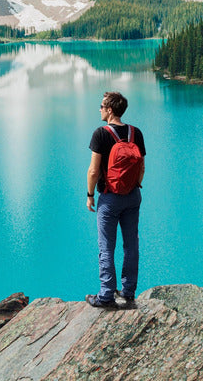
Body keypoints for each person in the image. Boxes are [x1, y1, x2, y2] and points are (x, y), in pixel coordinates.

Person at [85, 91, 146, 308]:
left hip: (110, 198)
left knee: (106, 247)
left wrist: (90, 195)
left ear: (110, 110)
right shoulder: (135, 133)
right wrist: (132, 187)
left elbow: (93, 171)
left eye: (102, 106)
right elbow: (141, 168)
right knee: (131, 245)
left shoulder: (100, 134)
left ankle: (106, 295)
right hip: (133, 196)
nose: (100, 109)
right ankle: (128, 291)